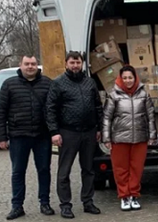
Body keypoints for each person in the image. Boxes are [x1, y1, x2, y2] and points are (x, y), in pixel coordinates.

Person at [0, 56, 55, 220]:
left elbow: (53, 109)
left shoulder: (47, 84)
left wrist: (54, 132)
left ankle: (45, 203)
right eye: (27, 64)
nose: (30, 67)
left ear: (37, 66)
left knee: (44, 170)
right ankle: (17, 206)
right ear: (20, 65)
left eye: (33, 64)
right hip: (18, 136)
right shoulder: (9, 84)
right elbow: (0, 112)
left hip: (42, 136)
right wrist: (1, 136)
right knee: (18, 171)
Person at [46, 51, 103, 218]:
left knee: (89, 169)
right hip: (68, 132)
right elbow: (50, 109)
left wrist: (99, 128)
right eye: (72, 63)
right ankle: (65, 204)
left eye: (78, 63)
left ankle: (88, 201)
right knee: (64, 171)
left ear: (82, 64)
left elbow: (98, 107)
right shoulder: (58, 83)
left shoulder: (90, 82)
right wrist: (54, 132)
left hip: (89, 132)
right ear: (66, 64)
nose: (75, 66)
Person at [102, 65, 157, 211]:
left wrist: (152, 135)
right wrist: (106, 138)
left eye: (130, 77)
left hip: (140, 137)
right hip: (119, 138)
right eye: (124, 78)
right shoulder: (113, 95)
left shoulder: (144, 94)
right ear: (120, 78)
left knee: (136, 168)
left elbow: (150, 116)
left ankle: (134, 194)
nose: (128, 81)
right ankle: (124, 196)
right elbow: (107, 117)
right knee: (120, 169)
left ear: (135, 78)